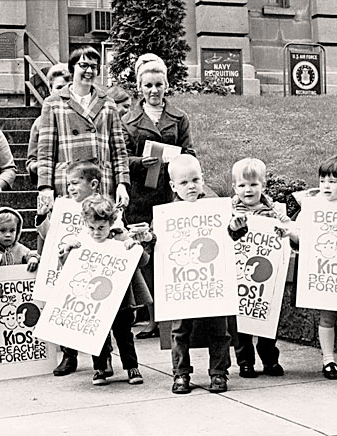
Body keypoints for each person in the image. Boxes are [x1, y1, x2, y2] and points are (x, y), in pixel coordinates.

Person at [122, 55, 195, 339]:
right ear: (140, 87)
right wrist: (141, 163)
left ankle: (173, 319)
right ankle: (153, 318)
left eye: (159, 84)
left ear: (167, 85)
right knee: (147, 259)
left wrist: (175, 161)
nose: (154, 90)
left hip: (169, 195)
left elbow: (190, 153)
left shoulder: (179, 118)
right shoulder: (128, 120)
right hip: (140, 197)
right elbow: (120, 158)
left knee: (171, 255)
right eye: (148, 85)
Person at [280, 155, 337, 381]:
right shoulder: (313, 208)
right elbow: (302, 236)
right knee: (326, 318)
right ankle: (328, 360)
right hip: (324, 272)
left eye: (333, 181)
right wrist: (291, 234)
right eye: (323, 180)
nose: (326, 185)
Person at [58, 196, 153, 386]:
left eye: (101, 228)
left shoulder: (121, 237)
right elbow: (68, 266)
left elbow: (143, 261)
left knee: (124, 334)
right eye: (91, 228)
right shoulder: (83, 241)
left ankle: (132, 366)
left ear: (110, 223)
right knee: (96, 335)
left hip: (122, 299)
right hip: (95, 299)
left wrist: (134, 246)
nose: (96, 232)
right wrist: (68, 250)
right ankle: (100, 368)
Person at [35, 161, 114, 377]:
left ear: (94, 184)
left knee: (96, 314)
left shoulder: (103, 208)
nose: (70, 188)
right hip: (67, 267)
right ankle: (69, 355)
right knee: (67, 312)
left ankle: (104, 356)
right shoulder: (63, 206)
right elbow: (49, 236)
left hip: (94, 269)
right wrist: (43, 217)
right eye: (68, 183)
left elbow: (113, 233)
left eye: (75, 183)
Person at [167, 155, 231, 394]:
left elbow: (231, 235)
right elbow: (158, 242)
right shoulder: (168, 214)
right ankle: (181, 374)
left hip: (213, 279)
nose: (191, 186)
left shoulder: (216, 208)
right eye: (183, 183)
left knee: (219, 329)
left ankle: (218, 373)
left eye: (195, 179)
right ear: (173, 186)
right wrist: (148, 238)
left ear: (203, 179)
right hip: (182, 281)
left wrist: (236, 227)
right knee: (180, 330)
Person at [36, 46, 130, 209]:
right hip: (69, 182)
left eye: (93, 67)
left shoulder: (108, 103)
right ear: (72, 68)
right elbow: (45, 152)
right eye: (83, 65)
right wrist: (45, 187)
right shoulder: (53, 103)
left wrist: (122, 183)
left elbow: (119, 151)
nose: (89, 71)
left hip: (100, 182)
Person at [227, 158, 291, 378]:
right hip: (240, 275)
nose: (248, 189)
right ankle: (245, 361)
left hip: (266, 277)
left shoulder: (274, 210)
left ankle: (270, 359)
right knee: (241, 323)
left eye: (254, 184)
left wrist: (285, 230)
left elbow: (290, 231)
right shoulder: (229, 211)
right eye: (242, 185)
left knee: (267, 320)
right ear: (234, 187)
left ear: (263, 185)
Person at [27, 63, 71, 185]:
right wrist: (41, 165)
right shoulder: (39, 123)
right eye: (59, 87)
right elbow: (31, 160)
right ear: (50, 90)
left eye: (68, 87)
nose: (64, 92)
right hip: (53, 183)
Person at [0, 207, 40, 271]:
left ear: (17, 231)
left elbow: (30, 254)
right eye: (2, 231)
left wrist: (33, 259)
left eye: (12, 231)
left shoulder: (19, 249)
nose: (8, 235)